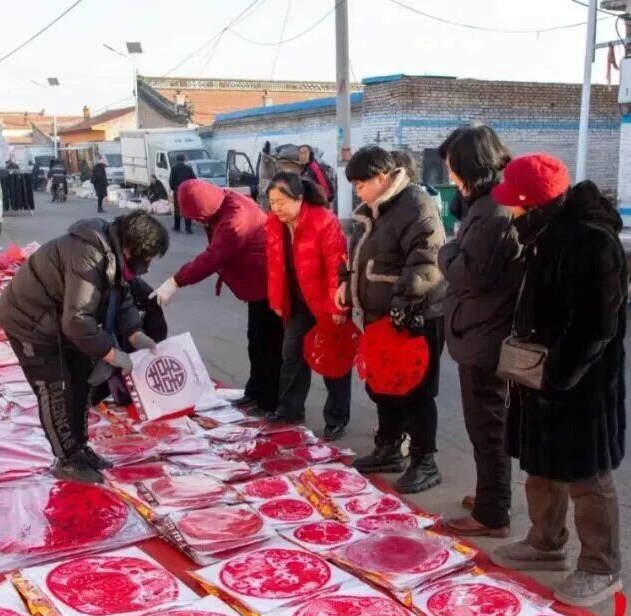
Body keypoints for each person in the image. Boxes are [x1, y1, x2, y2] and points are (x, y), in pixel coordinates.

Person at [489, 153, 628, 607]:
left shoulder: (590, 240)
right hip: (540, 374)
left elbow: (596, 325)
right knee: (541, 464)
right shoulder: (543, 233)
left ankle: (601, 566)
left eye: (514, 202)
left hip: (581, 382)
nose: (508, 209)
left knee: (587, 475)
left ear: (533, 203)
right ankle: (545, 542)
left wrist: (558, 375)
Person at [0, 210, 169, 483]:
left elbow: (121, 296)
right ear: (130, 249)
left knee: (80, 382)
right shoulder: (88, 255)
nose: (146, 267)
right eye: (146, 259)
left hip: (61, 324)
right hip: (31, 322)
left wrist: (134, 332)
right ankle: (67, 460)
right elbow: (77, 320)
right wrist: (111, 353)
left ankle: (80, 448)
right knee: (56, 389)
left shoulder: (115, 256)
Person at [337, 145, 447, 494]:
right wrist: (344, 280)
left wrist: (403, 302)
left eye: (360, 184)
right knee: (382, 385)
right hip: (376, 315)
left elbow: (427, 259)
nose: (357, 191)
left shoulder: (415, 205)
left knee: (415, 390)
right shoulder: (373, 209)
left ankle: (424, 461)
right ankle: (388, 447)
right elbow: (355, 253)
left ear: (382, 177)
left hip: (412, 315)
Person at [437, 126, 522, 538]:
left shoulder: (493, 212)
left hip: (486, 330)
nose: (450, 177)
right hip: (479, 326)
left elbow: (470, 274)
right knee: (484, 422)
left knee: (487, 424)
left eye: (454, 169)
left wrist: (446, 250)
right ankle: (491, 494)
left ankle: (492, 513)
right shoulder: (486, 203)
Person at [151, 179, 282, 412]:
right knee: (256, 340)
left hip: (270, 284)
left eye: (197, 217)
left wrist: (175, 281)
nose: (196, 222)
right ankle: (255, 392)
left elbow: (213, 257)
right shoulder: (224, 201)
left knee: (269, 345)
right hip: (258, 285)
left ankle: (271, 401)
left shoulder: (235, 220)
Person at [265, 171, 352, 441]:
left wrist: (338, 308)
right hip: (297, 301)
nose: (276, 208)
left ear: (299, 199)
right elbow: (274, 266)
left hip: (326, 301)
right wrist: (276, 300)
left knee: (332, 360)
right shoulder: (274, 224)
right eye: (272, 202)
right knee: (292, 354)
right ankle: (289, 410)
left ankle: (336, 418)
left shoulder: (323, 221)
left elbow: (337, 267)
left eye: (281, 201)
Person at [169, 154, 196, 233]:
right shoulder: (189, 168)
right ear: (184, 159)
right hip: (187, 191)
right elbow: (194, 180)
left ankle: (177, 227)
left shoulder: (174, 169)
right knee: (187, 208)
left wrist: (174, 189)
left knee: (177, 209)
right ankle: (188, 228)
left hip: (178, 190)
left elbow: (171, 181)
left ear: (177, 160)